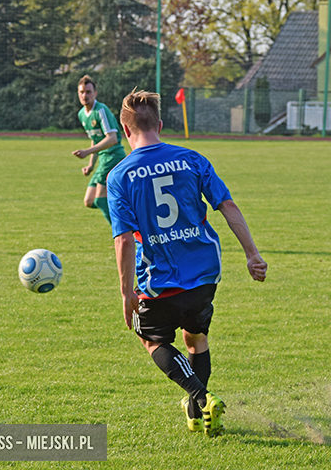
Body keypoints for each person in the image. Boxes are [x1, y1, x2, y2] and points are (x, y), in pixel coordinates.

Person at [107, 89, 267, 436]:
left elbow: (123, 239)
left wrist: (125, 293)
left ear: (125, 130)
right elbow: (227, 206)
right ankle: (196, 414)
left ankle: (202, 396)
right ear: (161, 124)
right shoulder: (192, 159)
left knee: (151, 340)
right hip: (205, 272)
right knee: (195, 337)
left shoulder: (119, 176)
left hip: (159, 280)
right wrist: (252, 254)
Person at [72, 75, 126, 225]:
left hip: (114, 157)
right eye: (81, 92)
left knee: (99, 199)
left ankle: (124, 233)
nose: (84, 95)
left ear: (95, 93)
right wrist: (91, 164)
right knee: (89, 201)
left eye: (88, 92)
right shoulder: (82, 114)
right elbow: (96, 140)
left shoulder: (101, 110)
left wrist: (87, 151)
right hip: (103, 159)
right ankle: (123, 207)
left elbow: (112, 138)